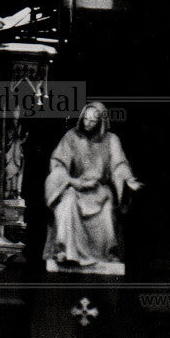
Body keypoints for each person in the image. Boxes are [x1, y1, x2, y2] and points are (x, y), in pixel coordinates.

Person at [44, 102, 141, 268]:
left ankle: (106, 254)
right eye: (85, 119)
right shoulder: (71, 137)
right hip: (75, 188)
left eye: (93, 121)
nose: (87, 123)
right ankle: (67, 252)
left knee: (107, 212)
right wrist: (72, 181)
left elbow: (119, 165)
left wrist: (128, 179)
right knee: (67, 204)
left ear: (101, 123)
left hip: (99, 191)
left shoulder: (111, 140)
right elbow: (58, 164)